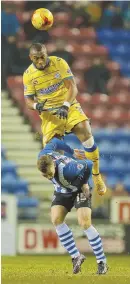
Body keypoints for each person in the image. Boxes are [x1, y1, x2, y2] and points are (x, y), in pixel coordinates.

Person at [23, 42, 106, 196]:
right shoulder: (28, 75)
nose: (40, 61)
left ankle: (96, 175)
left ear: (46, 53)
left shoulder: (59, 63)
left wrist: (66, 105)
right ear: (30, 57)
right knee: (51, 156)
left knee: (86, 132)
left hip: (68, 105)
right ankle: (70, 187)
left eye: (42, 57)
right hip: (49, 114)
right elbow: (28, 101)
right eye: (36, 58)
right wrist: (36, 106)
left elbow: (73, 87)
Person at [37, 137, 108, 275]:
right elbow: (56, 141)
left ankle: (101, 262)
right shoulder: (43, 155)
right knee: (56, 220)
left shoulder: (68, 169)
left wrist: (85, 183)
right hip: (62, 190)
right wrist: (70, 151)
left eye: (49, 173)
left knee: (84, 223)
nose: (48, 176)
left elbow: (88, 164)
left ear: (54, 164)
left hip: (79, 188)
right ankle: (76, 257)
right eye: (45, 175)